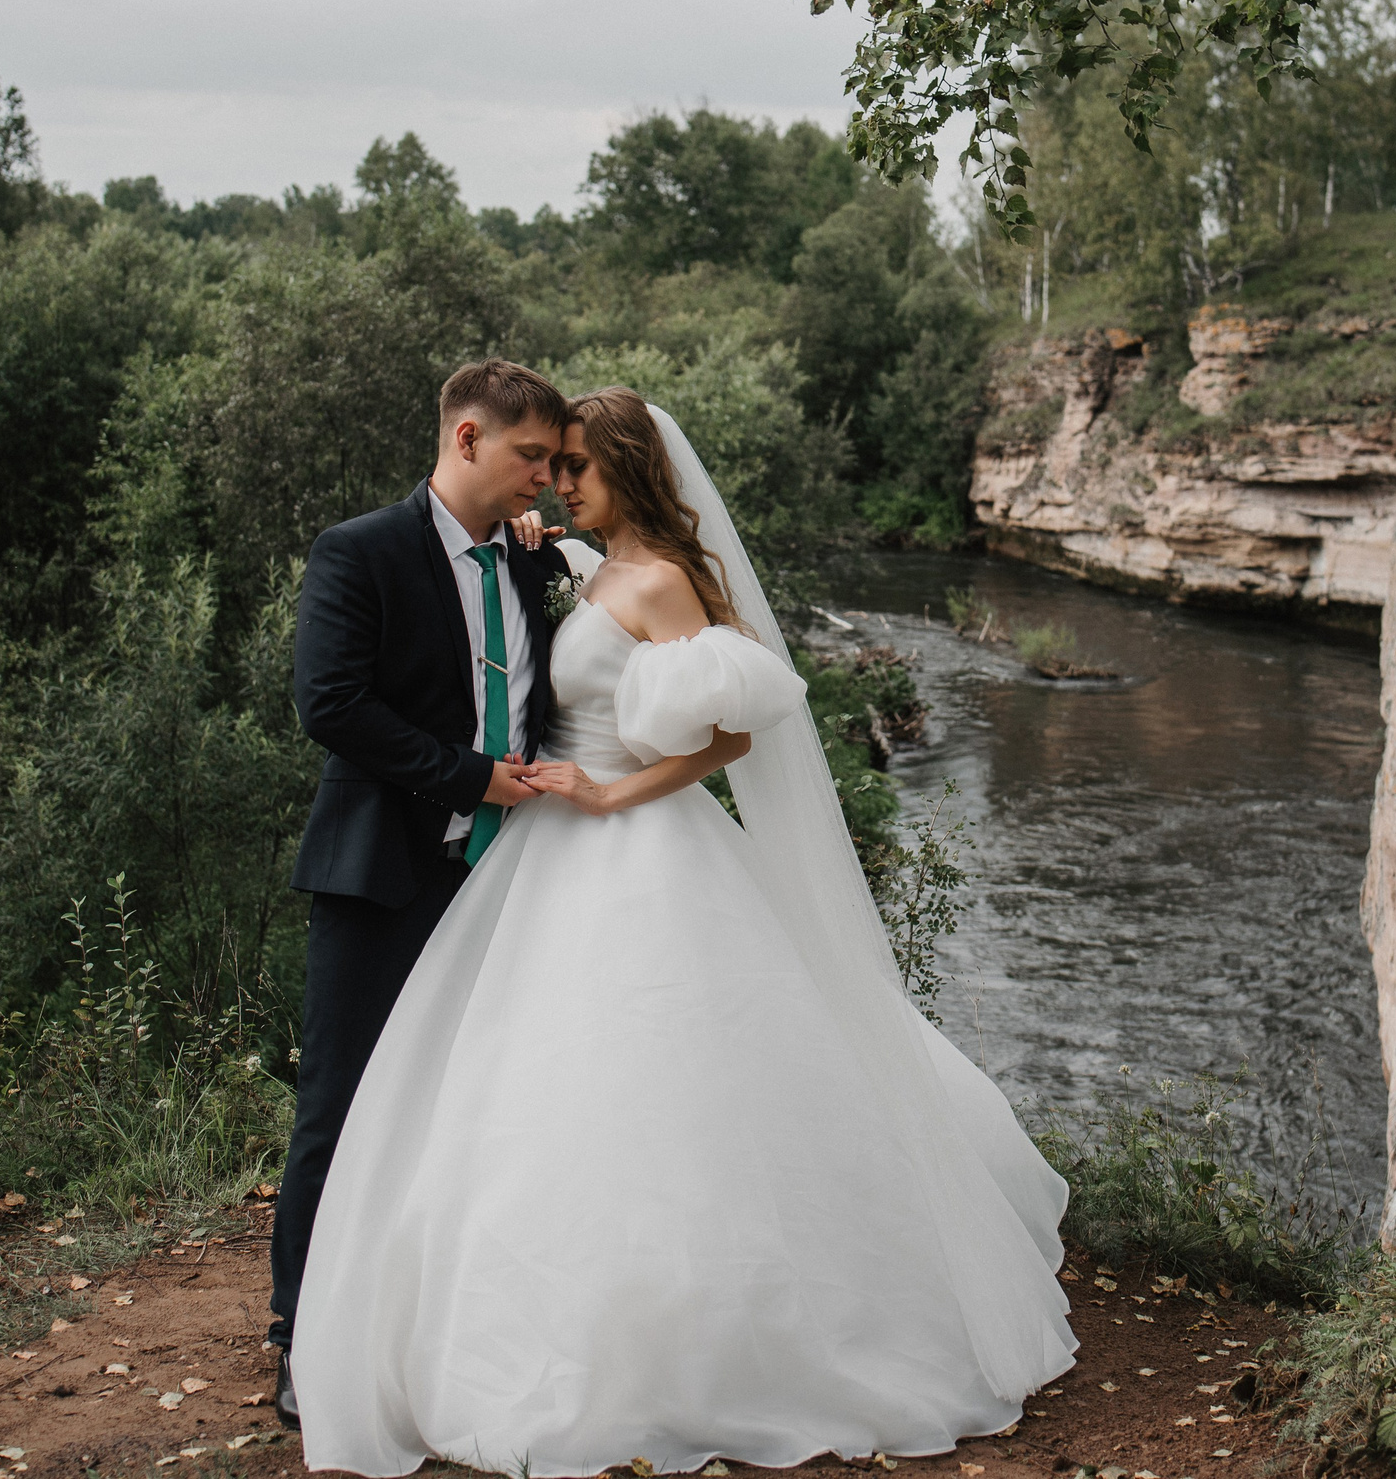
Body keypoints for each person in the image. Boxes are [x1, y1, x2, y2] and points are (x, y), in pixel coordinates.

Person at [291, 388, 1076, 1476]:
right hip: (540, 853)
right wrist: (552, 549)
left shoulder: (662, 579)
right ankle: (373, 1317)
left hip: (632, 844)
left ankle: (708, 1340)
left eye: (574, 465)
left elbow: (732, 730)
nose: (557, 484)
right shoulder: (570, 560)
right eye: (547, 464)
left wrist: (614, 794)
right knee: (516, 1088)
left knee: (671, 1078)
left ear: (624, 464)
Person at [266, 358, 578, 1424]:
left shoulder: (540, 562)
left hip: (514, 884)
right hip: (385, 876)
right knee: (342, 1107)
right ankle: (301, 1338)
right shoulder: (361, 550)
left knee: (484, 1112)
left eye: (552, 460)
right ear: (467, 439)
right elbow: (331, 702)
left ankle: (440, 1328)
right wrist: (467, 775)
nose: (544, 476)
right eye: (531, 455)